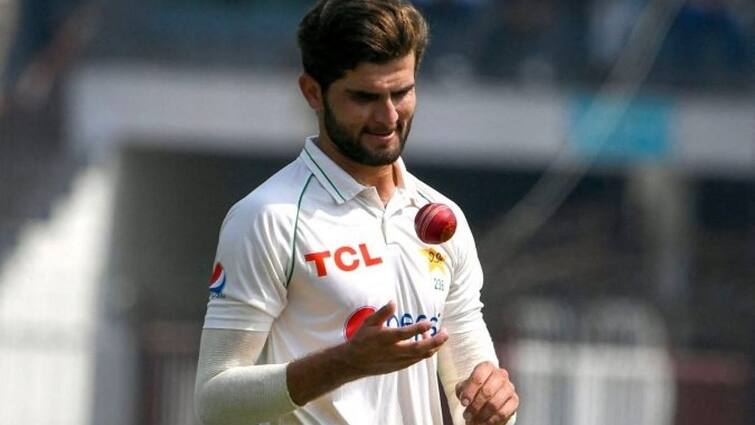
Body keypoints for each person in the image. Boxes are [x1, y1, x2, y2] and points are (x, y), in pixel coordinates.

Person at [194, 1, 519, 424]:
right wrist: (347, 362)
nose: (388, 116)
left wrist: (494, 405)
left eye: (401, 92)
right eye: (364, 97)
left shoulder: (441, 218)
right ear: (313, 92)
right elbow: (214, 402)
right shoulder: (266, 217)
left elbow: (474, 398)